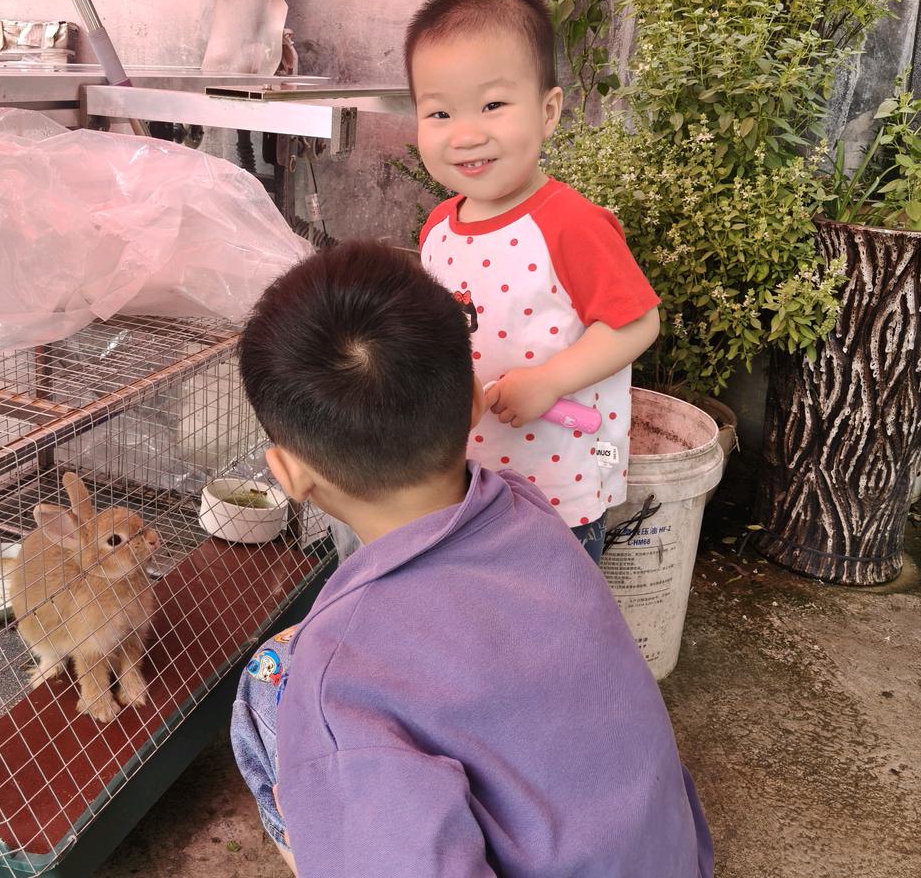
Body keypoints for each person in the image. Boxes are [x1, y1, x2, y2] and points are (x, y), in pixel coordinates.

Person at [230, 240, 712, 876]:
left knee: (268, 686)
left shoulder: (340, 682)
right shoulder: (526, 508)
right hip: (670, 857)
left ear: (289, 474)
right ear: (476, 404)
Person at [410, 0, 661, 562]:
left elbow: (635, 324)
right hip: (462, 480)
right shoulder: (437, 230)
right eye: (440, 112)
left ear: (548, 111)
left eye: (493, 105)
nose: (467, 134)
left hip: (555, 490)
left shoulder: (569, 224)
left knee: (550, 626)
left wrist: (547, 381)